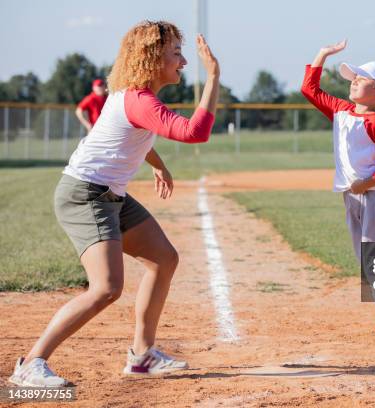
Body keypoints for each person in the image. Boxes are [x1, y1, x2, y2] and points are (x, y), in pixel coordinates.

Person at [9, 20, 220, 387]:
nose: (183, 61)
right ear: (153, 57)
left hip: (109, 194)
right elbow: (194, 133)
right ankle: (31, 363)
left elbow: (133, 137)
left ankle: (142, 357)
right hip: (86, 194)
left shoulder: (132, 96)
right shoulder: (138, 99)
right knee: (106, 288)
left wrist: (159, 165)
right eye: (175, 53)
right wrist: (214, 76)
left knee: (164, 259)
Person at [301, 39, 375, 368]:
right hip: (350, 196)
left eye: (362, 78)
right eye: (353, 76)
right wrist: (322, 54)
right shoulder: (340, 111)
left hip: (374, 197)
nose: (353, 80)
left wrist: (369, 183)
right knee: (369, 268)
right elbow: (309, 89)